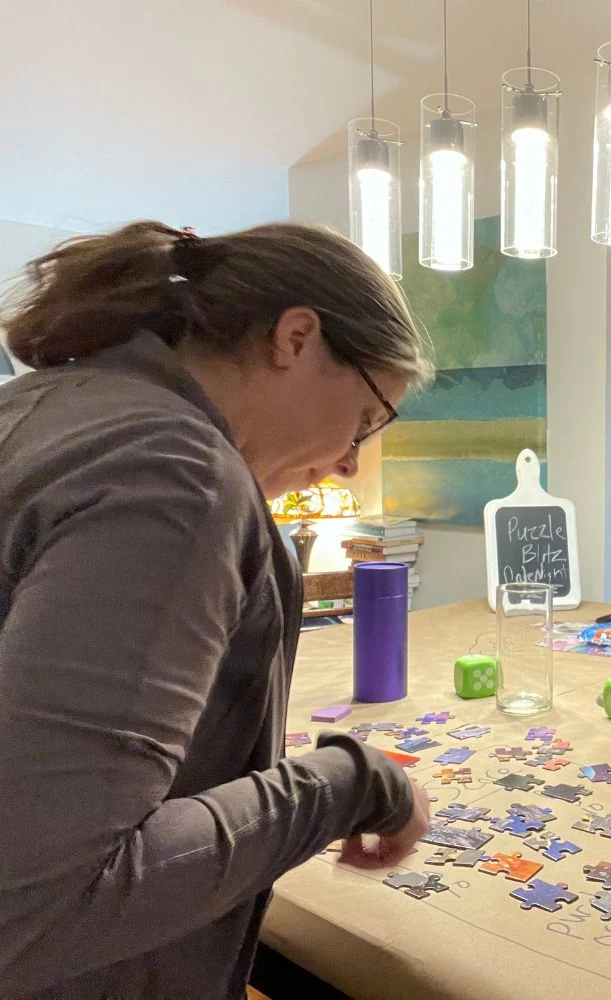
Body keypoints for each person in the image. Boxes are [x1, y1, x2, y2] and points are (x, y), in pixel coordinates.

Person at [0, 221, 435, 997]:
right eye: (367, 420)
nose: (350, 461)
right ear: (296, 338)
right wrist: (354, 782)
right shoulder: (179, 471)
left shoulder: (42, 407)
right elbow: (46, 902)